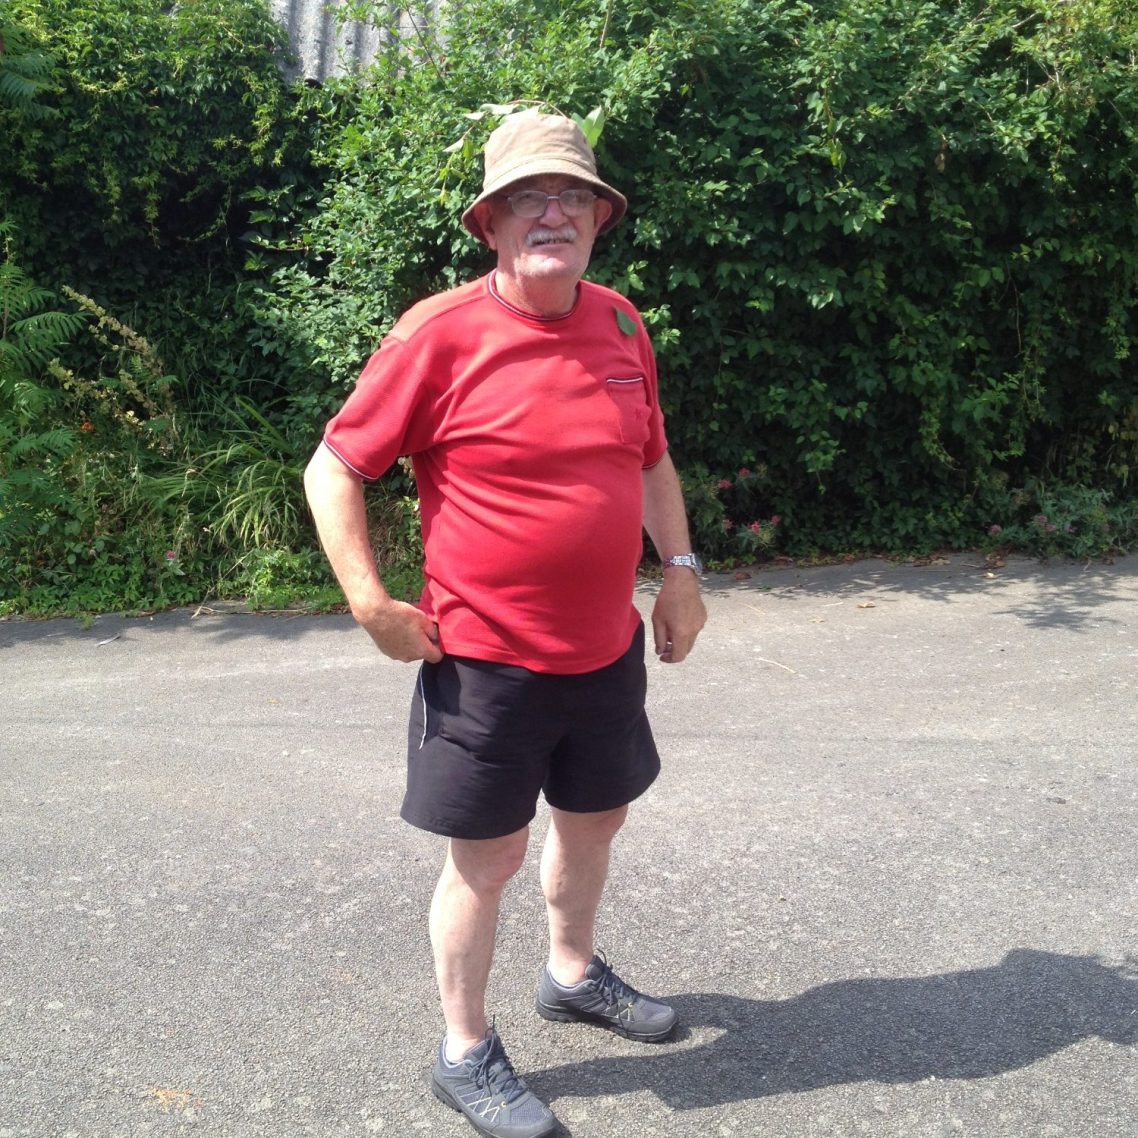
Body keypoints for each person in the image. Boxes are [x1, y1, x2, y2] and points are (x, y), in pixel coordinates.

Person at [303, 107, 707, 1138]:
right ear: (490, 223)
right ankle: (464, 1049)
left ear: (600, 219)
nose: (552, 214)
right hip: (484, 664)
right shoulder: (436, 335)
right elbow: (334, 468)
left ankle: (570, 974)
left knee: (596, 822)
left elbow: (650, 458)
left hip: (606, 651)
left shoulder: (622, 325)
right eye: (528, 197)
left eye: (572, 196)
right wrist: (370, 603)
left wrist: (681, 571)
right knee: (486, 863)